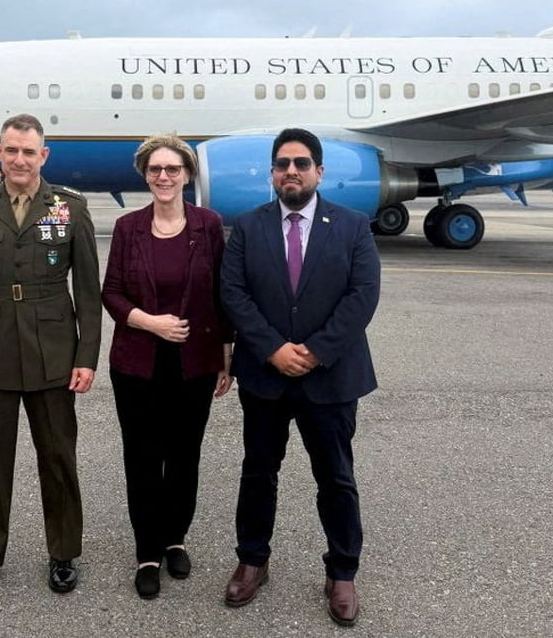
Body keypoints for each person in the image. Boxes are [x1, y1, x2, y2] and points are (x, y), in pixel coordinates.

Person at [0, 113, 101, 602]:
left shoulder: (70, 208)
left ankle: (64, 553)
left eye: (29, 151)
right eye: (11, 150)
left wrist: (86, 356)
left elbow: (88, 292)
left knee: (58, 457)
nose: (20, 159)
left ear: (43, 156)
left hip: (53, 352)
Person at [219, 128, 381, 626]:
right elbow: (233, 293)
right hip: (266, 377)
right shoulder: (247, 228)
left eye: (302, 163)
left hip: (329, 379)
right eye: (283, 163)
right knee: (258, 472)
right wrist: (272, 349)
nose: (292, 170)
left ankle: (342, 571)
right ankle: (252, 560)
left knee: (335, 477)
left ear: (319, 171)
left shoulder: (353, 226)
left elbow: (363, 296)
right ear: (272, 172)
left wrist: (313, 352)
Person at [101, 134, 233, 599]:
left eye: (172, 169)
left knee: (184, 456)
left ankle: (175, 537)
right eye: (155, 169)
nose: (163, 177)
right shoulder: (128, 227)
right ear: (145, 175)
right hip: (137, 364)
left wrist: (226, 354)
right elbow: (111, 292)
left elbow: (222, 294)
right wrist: (149, 323)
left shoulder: (209, 225)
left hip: (194, 362)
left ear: (187, 175)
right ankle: (147, 552)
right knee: (142, 457)